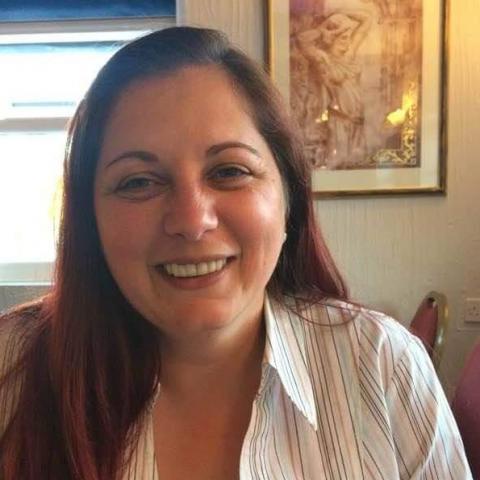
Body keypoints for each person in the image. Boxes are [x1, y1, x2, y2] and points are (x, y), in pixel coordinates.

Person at [0, 27, 472, 480]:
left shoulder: (384, 364)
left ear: (289, 197)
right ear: (90, 218)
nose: (191, 221)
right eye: (138, 182)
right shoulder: (13, 368)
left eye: (229, 171)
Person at [295, 11, 371, 169]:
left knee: (356, 167)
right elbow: (302, 40)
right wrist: (323, 29)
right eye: (343, 37)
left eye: (349, 37)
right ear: (332, 38)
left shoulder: (350, 56)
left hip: (357, 122)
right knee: (338, 166)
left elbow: (367, 20)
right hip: (338, 124)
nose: (348, 41)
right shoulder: (323, 59)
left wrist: (343, 10)